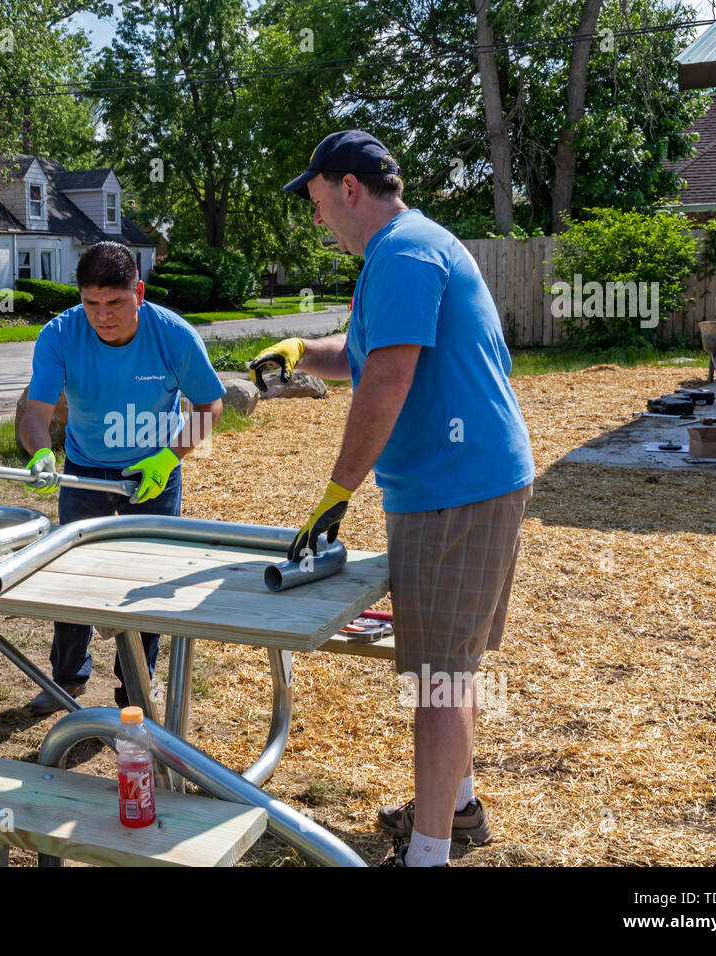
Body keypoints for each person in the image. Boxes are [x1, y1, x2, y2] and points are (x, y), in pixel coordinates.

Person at [253, 130, 535, 866]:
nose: (315, 218)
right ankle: (459, 808)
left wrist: (335, 493)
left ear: (348, 188)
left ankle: (430, 855)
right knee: (451, 667)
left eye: (316, 201)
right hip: (459, 484)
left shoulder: (406, 253)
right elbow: (357, 356)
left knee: (439, 681)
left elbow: (389, 380)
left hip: (458, 489)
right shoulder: (400, 250)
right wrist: (295, 352)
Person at [18, 241, 225, 714]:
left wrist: (170, 459)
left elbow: (210, 404)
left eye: (115, 302)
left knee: (144, 578)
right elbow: (36, 413)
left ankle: (135, 688)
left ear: (139, 292)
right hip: (85, 468)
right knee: (74, 572)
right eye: (91, 303)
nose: (102, 315)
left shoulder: (172, 335)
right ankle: (67, 680)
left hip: (152, 470)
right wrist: (40, 455)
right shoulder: (60, 334)